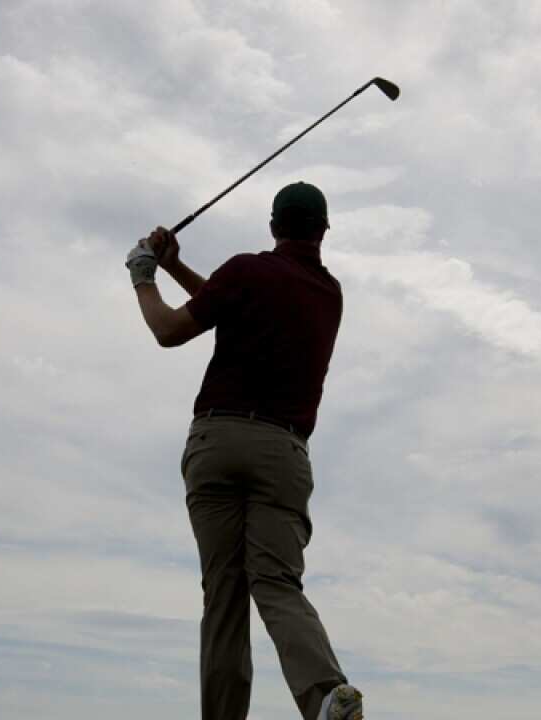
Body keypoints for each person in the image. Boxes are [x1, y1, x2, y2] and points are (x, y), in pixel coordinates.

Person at [125, 182, 363, 720]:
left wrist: (144, 275)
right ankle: (326, 694)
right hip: (283, 454)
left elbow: (169, 330)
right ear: (323, 231)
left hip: (217, 443)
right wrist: (176, 269)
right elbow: (233, 303)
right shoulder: (329, 295)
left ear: (273, 225)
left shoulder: (246, 271)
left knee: (224, 596)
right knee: (277, 582)